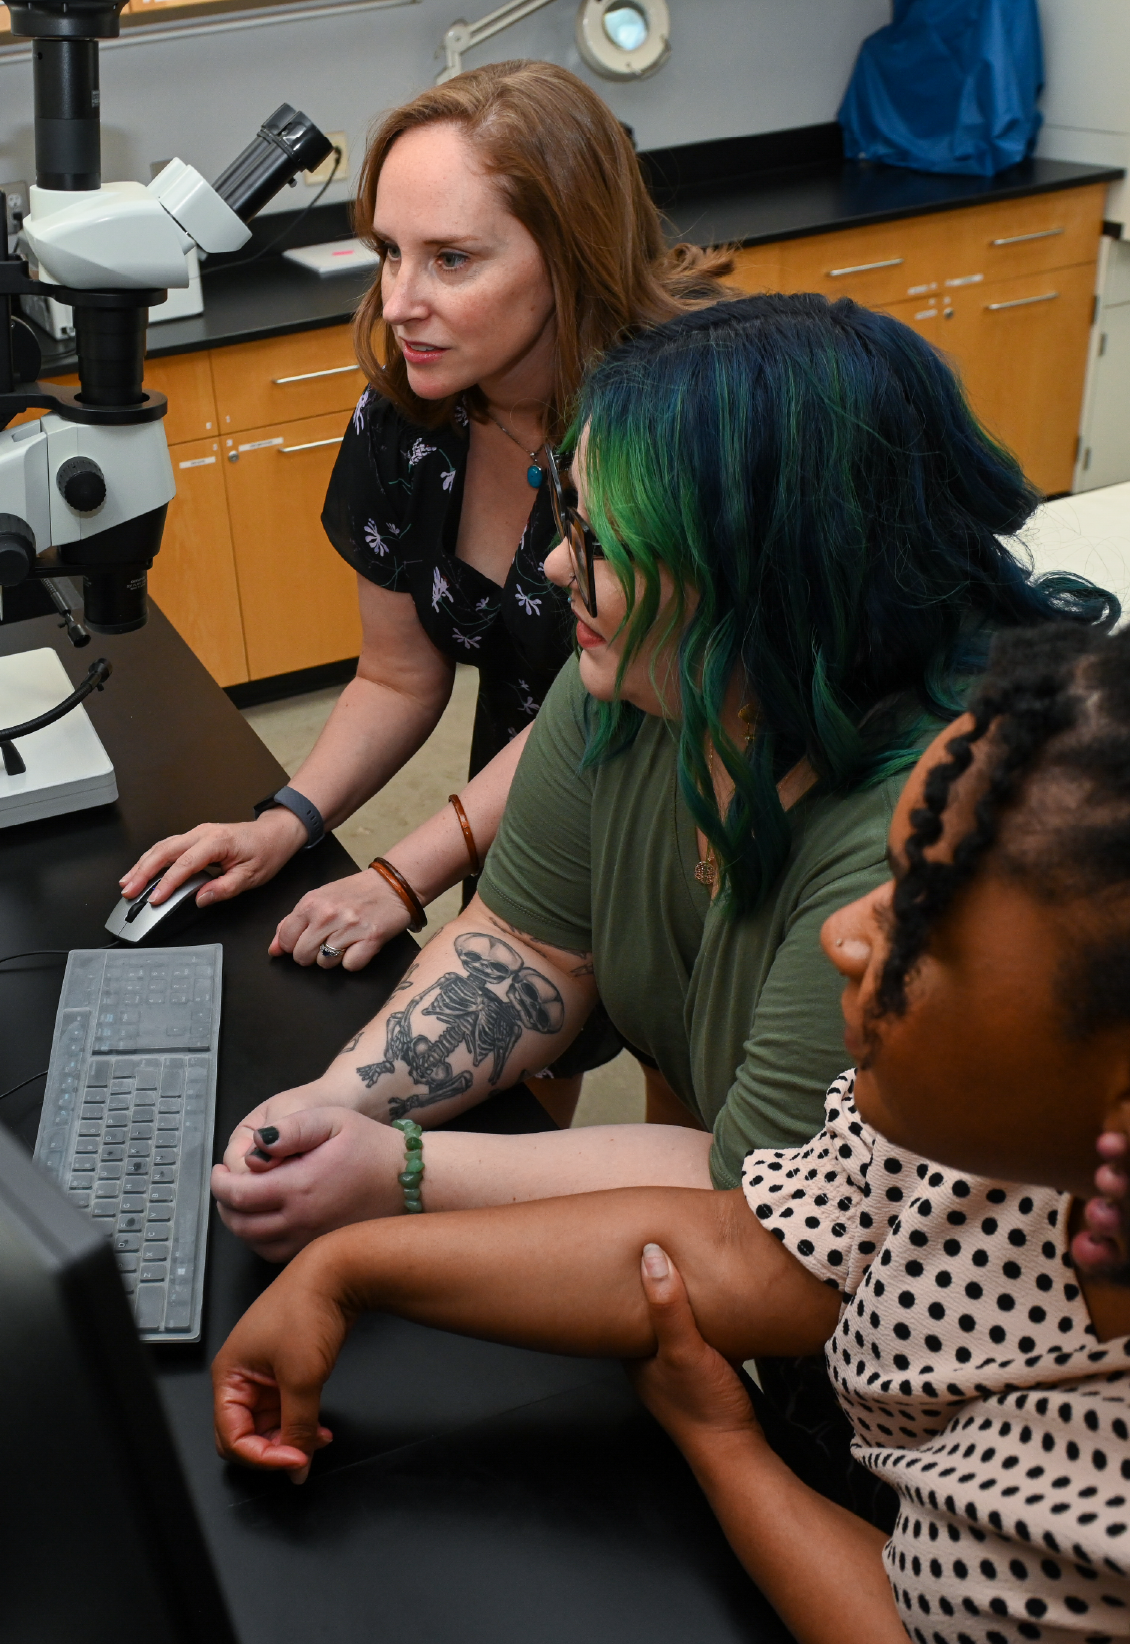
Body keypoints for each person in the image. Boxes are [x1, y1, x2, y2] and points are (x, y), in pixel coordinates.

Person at [210, 516, 1130, 1644]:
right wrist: (350, 1265)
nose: (845, 932)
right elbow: (738, 1244)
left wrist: (733, 1461)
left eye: (921, 919)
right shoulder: (1012, 1139)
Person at [208, 293, 1109, 1262]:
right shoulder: (639, 675)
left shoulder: (935, 821)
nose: (554, 565)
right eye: (570, 521)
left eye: (603, 545)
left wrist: (401, 1170)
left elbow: (755, 1194)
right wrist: (325, 1108)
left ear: (765, 573)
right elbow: (527, 944)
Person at [120, 63, 731, 1043]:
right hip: (517, 805)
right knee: (521, 1067)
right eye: (387, 253)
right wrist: (285, 819)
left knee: (684, 1103)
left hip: (682, 799)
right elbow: (398, 675)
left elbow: (589, 705)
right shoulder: (408, 420)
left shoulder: (675, 421)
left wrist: (399, 875)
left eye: (449, 259)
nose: (400, 301)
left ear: (569, 257)